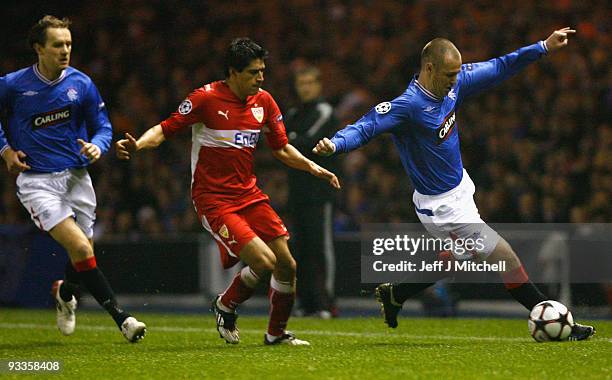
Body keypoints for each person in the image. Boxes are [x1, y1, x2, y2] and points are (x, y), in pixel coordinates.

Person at [313, 28, 595, 340]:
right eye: (449, 74)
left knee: (457, 259)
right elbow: (367, 126)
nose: (454, 79)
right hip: (441, 207)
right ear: (429, 68)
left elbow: (501, 66)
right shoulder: (408, 106)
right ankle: (555, 320)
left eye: (457, 73)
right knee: (506, 256)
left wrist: (542, 46)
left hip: (461, 189)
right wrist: (336, 144)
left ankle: (397, 293)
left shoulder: (453, 84)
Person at [116, 38, 340, 346]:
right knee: (263, 261)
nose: (260, 78)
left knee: (287, 263)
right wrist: (138, 144)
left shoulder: (264, 101)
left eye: (262, 71)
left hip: (249, 194)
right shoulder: (205, 99)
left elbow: (282, 148)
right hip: (214, 199)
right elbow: (164, 129)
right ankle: (225, 305)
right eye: (252, 72)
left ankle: (276, 334)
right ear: (233, 72)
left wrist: (313, 168)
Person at [0, 15, 146, 342]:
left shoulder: (81, 84)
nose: (65, 50)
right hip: (38, 182)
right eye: (57, 45)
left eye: (68, 44)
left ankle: (65, 293)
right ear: (39, 48)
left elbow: (104, 126)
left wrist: (98, 145)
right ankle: (123, 319)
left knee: (83, 254)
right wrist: (6, 151)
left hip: (78, 178)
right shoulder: (12, 85)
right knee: (80, 247)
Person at [285, 66, 339, 318]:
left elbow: (308, 143)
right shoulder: (294, 113)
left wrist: (290, 140)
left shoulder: (324, 111)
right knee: (301, 249)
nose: (305, 87)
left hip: (319, 194)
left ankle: (326, 303)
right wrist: (290, 141)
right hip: (297, 192)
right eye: (301, 82)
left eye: (309, 82)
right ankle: (306, 303)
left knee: (320, 248)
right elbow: (281, 143)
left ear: (318, 85)